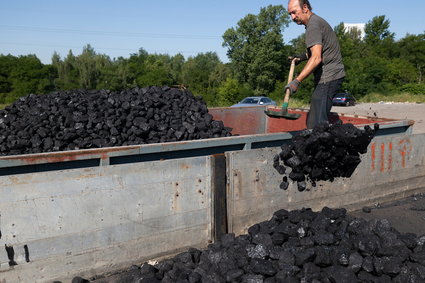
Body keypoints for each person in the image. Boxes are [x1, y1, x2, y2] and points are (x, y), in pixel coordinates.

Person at [285, 0, 345, 129]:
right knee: (316, 121)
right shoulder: (315, 22)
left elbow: (317, 58)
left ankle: (323, 148)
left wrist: (296, 81)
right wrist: (302, 56)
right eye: (290, 14)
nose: (292, 17)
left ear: (305, 7)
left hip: (328, 77)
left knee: (316, 125)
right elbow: (318, 51)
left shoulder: (313, 25)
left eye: (294, 12)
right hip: (330, 76)